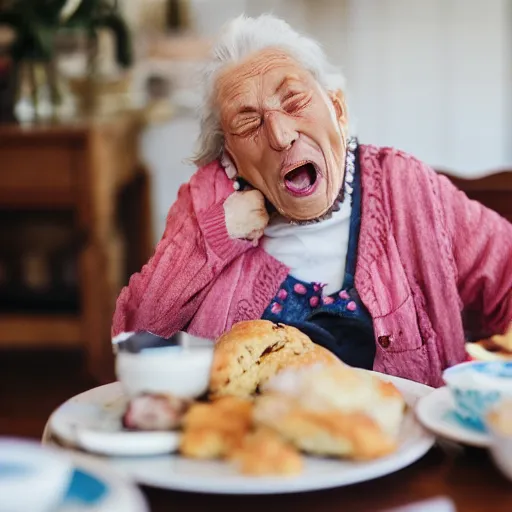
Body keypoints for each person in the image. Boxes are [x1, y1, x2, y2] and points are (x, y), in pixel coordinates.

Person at [112, 14, 512, 387]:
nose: (281, 135)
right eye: (247, 121)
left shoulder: (405, 188)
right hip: (248, 454)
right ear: (231, 158)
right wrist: (217, 235)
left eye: (294, 101)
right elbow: (134, 336)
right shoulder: (206, 203)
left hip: (399, 449)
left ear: (337, 109)